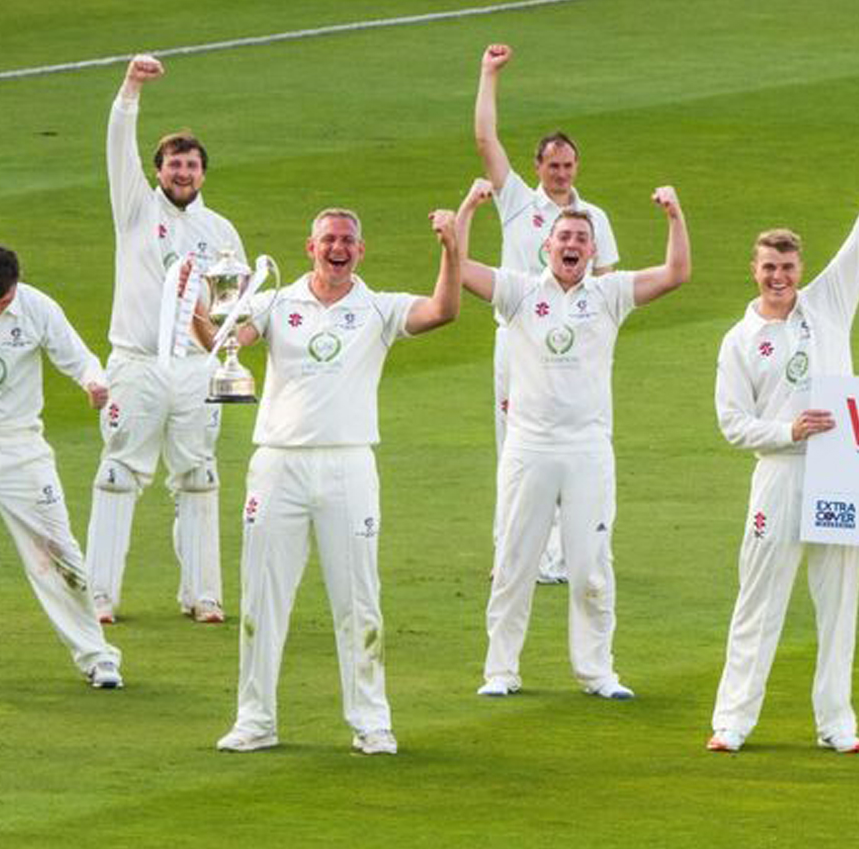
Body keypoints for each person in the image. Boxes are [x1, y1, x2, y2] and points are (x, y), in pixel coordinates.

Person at [214, 206, 461, 754]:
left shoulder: (378, 307)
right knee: (262, 596)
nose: (338, 248)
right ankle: (255, 719)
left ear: (361, 250)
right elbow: (227, 336)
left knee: (358, 599)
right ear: (310, 247)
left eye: (347, 240)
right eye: (329, 239)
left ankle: (371, 720)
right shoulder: (275, 300)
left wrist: (451, 247)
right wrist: (189, 302)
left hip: (349, 464)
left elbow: (443, 310)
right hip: (278, 462)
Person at [705, 144, 859, 754]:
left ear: (800, 268)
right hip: (780, 474)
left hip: (841, 474)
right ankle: (732, 721)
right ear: (754, 268)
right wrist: (787, 431)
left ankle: (837, 723)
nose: (779, 276)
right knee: (759, 599)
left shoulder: (828, 305)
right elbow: (732, 424)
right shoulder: (740, 340)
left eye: (788, 266)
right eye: (769, 267)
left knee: (840, 603)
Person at [458, 181, 689, 700]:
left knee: (590, 568)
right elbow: (463, 268)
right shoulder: (519, 292)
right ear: (547, 245)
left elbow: (676, 274)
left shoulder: (609, 295)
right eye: (564, 235)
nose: (572, 244)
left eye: (581, 238)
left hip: (587, 450)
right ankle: (500, 671)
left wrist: (674, 215)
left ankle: (596, 672)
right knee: (516, 562)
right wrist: (468, 210)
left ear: (593, 250)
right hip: (529, 448)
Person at [87, 54, 246, 626]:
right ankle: (99, 596)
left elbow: (234, 311)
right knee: (117, 475)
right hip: (135, 362)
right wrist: (130, 88)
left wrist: (226, 345)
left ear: (204, 173)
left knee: (199, 477)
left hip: (196, 369)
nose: (183, 173)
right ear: (158, 170)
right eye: (175, 164)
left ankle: (203, 595)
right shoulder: (133, 209)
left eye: (192, 165)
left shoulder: (220, 230)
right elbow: (117, 147)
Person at [0, 245, 123, 689]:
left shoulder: (37, 307)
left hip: (22, 451)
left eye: (3, 301)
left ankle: (98, 657)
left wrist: (95, 383)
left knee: (60, 554)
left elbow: (79, 356)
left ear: (16, 286)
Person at [474, 43, 621, 585]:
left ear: (576, 166)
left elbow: (607, 289)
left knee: (576, 440)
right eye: (552, 166)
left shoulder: (593, 218)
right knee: (516, 443)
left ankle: (562, 555)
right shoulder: (516, 201)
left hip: (576, 346)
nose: (560, 174)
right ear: (537, 167)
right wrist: (489, 74)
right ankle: (511, 551)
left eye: (567, 165)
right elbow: (485, 138)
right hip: (518, 340)